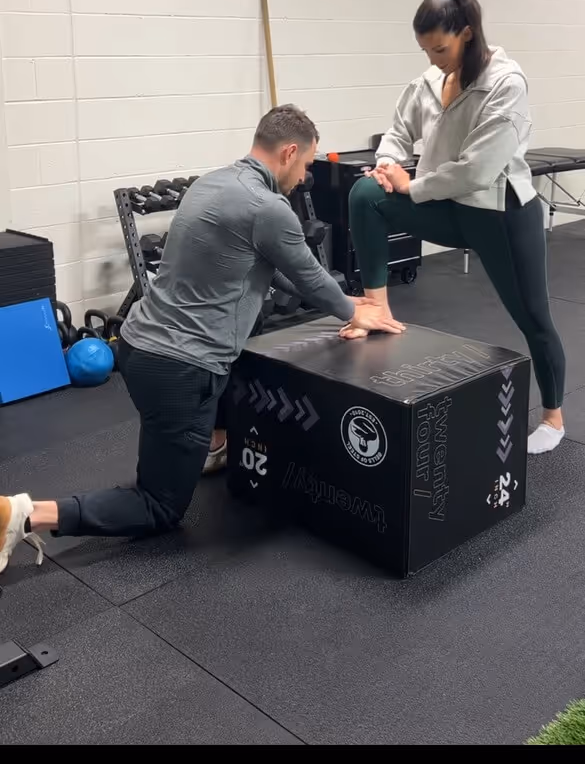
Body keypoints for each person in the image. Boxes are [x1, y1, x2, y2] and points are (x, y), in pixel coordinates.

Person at [0, 105, 401, 574]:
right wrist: (358, 310)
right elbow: (310, 277)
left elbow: (280, 274)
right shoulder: (269, 209)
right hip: (180, 369)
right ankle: (23, 514)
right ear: (289, 152)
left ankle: (209, 442)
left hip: (135, 346)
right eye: (307, 164)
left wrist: (349, 301)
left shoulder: (212, 183)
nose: (305, 175)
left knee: (242, 367)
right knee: (158, 506)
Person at [347, 0, 566, 458]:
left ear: (466, 32)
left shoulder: (506, 84)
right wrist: (387, 164)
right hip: (449, 208)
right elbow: (399, 130)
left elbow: (478, 169)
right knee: (365, 194)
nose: (433, 59)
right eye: (425, 50)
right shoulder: (428, 81)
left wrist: (414, 186)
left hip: (501, 213)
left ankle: (553, 416)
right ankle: (377, 308)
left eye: (440, 48)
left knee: (534, 319)